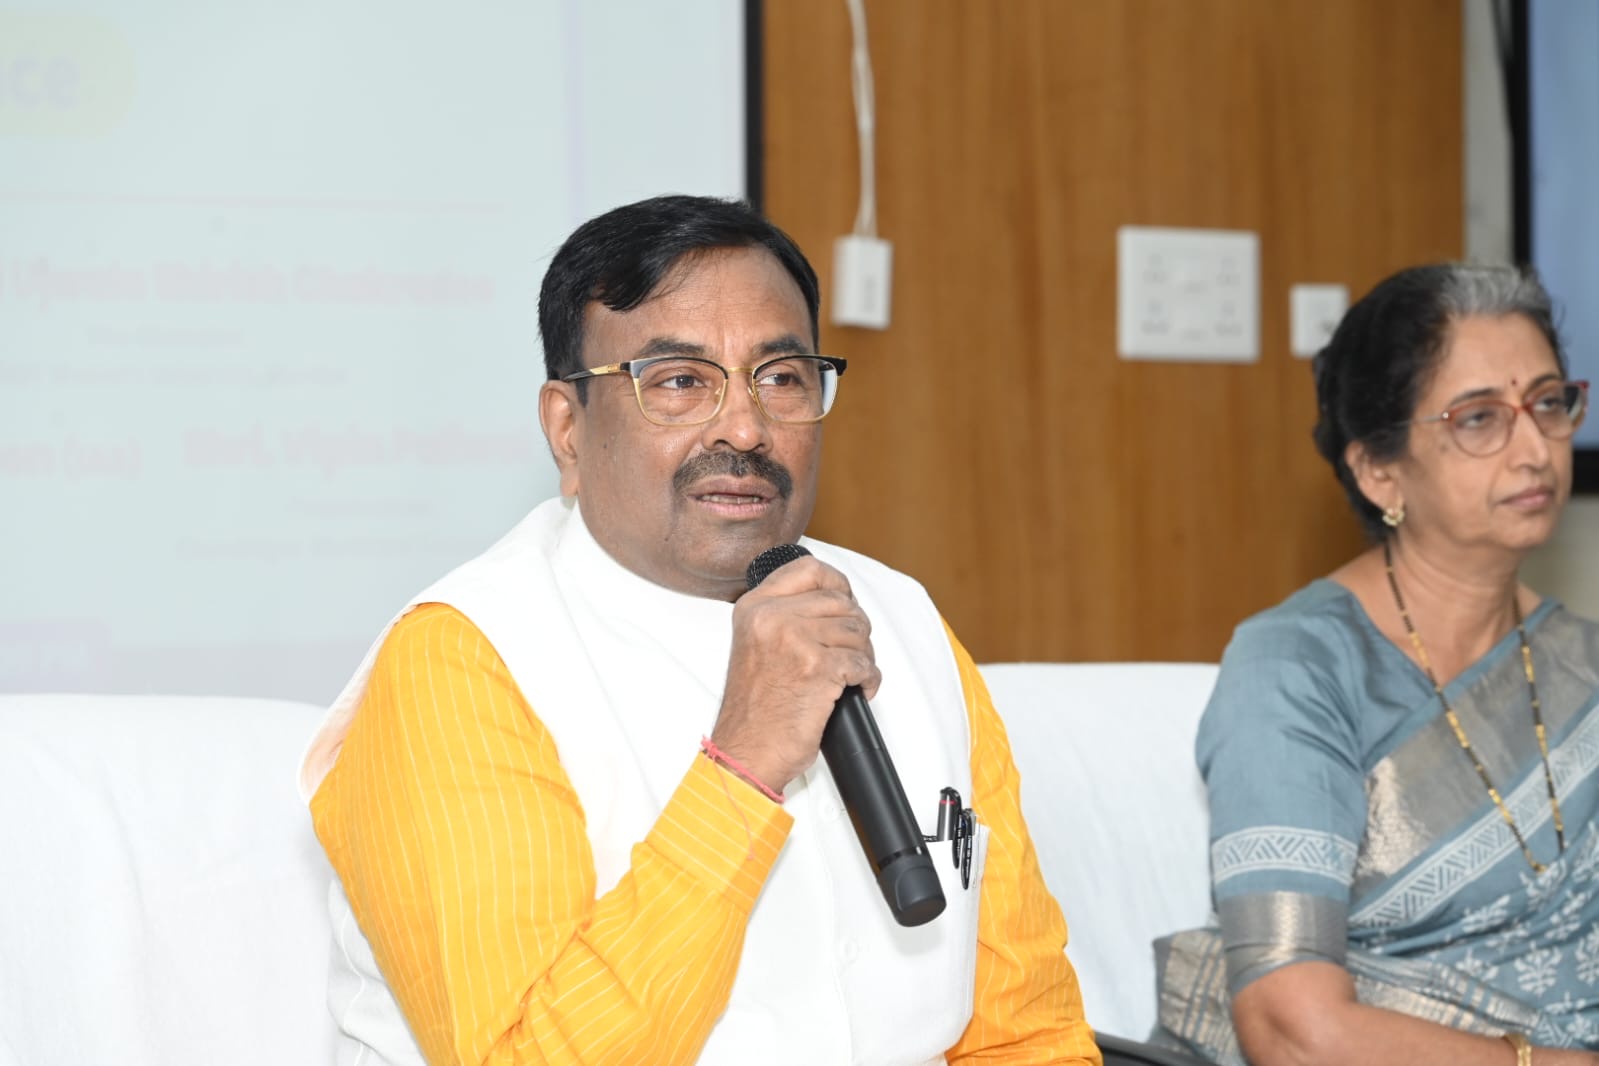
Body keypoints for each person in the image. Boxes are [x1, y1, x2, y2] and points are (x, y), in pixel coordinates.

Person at [298, 194, 1102, 1065]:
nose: (746, 428)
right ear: (568, 431)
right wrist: (744, 764)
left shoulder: (900, 616)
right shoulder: (463, 660)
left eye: (781, 377)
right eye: (679, 381)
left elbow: (1027, 1030)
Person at [1152, 263, 1599, 1065]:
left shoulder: (1583, 666)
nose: (1534, 448)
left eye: (1546, 402)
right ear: (1377, 470)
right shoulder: (1296, 670)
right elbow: (1291, 1030)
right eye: (1478, 418)